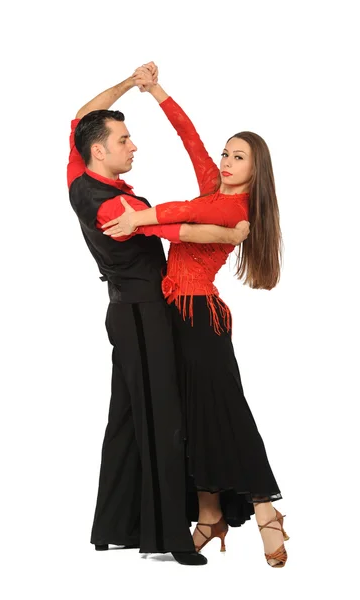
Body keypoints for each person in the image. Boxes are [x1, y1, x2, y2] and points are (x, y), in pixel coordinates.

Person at [102, 66, 288, 568]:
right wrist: (156, 89)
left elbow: (183, 216)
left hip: (201, 317)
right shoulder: (215, 188)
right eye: (226, 153)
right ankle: (209, 517)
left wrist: (142, 218)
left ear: (257, 170)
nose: (226, 162)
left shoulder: (237, 209)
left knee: (223, 413)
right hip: (173, 315)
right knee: (187, 419)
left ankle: (266, 510)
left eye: (238, 157)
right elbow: (189, 136)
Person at [67, 65, 249, 566]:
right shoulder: (108, 207)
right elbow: (179, 228)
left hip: (134, 314)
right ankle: (171, 535)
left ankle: (114, 526)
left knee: (126, 418)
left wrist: (132, 84)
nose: (134, 147)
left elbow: (85, 116)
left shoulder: (80, 170)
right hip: (144, 314)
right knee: (163, 419)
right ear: (100, 151)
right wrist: (229, 234)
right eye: (125, 140)